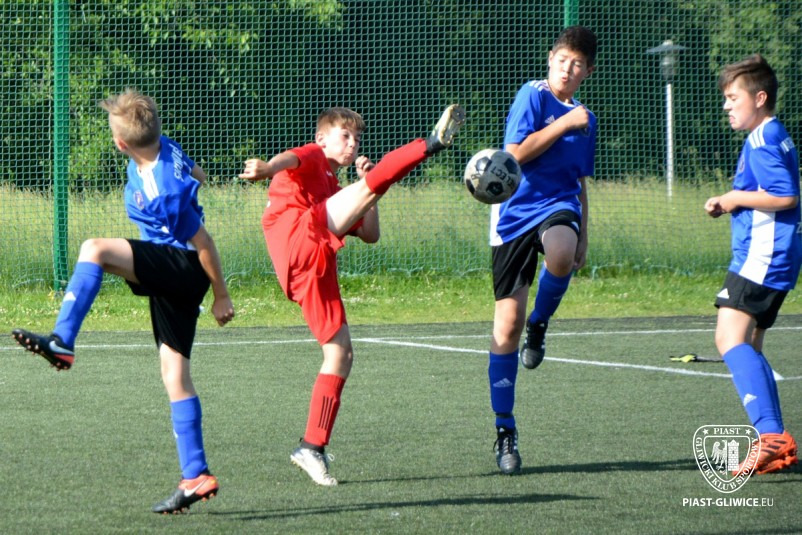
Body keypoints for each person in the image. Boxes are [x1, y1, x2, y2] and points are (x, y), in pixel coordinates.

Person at [11, 89, 236, 513]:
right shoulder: (166, 147)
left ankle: (62, 340)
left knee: (94, 248)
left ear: (119, 143)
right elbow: (198, 174)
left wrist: (222, 295)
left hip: (182, 265)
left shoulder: (161, 188)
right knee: (174, 374)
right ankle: (195, 475)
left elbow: (203, 242)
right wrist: (194, 180)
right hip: (177, 272)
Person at [239, 104, 465, 486]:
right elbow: (291, 158)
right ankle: (430, 144)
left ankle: (311, 446)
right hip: (300, 239)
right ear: (322, 138)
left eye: (357, 138)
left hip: (316, 266)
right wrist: (267, 168)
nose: (352, 143)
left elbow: (371, 234)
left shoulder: (335, 188)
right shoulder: (314, 157)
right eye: (345, 136)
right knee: (373, 184)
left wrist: (368, 187)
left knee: (341, 354)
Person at [486, 25, 598, 475]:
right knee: (506, 327)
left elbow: (580, 181)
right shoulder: (532, 96)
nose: (567, 69)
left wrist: (584, 233)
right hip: (514, 213)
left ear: (588, 71)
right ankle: (505, 430)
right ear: (550, 59)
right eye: (562, 60)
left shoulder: (587, 119)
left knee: (562, 253)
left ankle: (541, 323)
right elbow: (515, 153)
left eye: (577, 64)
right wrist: (564, 123)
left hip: (559, 205)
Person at [704, 54, 799, 475]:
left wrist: (733, 198)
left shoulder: (761, 139)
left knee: (729, 338)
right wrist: (732, 201)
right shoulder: (774, 133)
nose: (726, 105)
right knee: (750, 343)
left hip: (762, 257)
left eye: (733, 97)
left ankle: (771, 435)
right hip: (776, 257)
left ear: (759, 98)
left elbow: (786, 196)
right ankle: (776, 441)